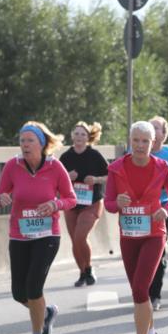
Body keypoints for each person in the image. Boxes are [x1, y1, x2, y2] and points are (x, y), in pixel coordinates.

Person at [0, 122, 76, 334]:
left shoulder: (55, 167)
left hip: (47, 235)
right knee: (19, 293)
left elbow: (70, 199)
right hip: (19, 235)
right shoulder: (12, 166)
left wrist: (55, 204)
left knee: (33, 286)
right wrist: (2, 198)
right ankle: (46, 312)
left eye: (30, 140)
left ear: (41, 144)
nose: (25, 145)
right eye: (22, 140)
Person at [104, 121, 168, 334]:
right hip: (128, 236)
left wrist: (167, 210)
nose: (139, 145)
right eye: (135, 140)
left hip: (153, 234)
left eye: (145, 141)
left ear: (153, 144)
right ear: (130, 141)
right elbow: (108, 204)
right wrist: (119, 203)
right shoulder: (116, 168)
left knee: (139, 289)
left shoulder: (162, 166)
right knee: (140, 293)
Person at [59, 121, 108, 287]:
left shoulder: (94, 156)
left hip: (92, 202)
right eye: (77, 133)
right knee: (75, 241)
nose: (79, 137)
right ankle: (82, 272)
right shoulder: (65, 157)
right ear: (72, 135)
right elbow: (55, 181)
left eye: (83, 134)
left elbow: (111, 176)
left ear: (88, 138)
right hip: (71, 204)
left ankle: (88, 269)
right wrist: (67, 176)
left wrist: (96, 179)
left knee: (81, 236)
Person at [147, 116, 168, 312]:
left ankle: (154, 294)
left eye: (156, 128)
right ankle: (142, 292)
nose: (152, 130)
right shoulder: (135, 152)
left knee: (157, 252)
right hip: (140, 212)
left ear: (163, 134)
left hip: (164, 210)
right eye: (149, 127)